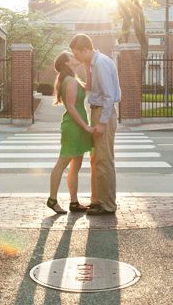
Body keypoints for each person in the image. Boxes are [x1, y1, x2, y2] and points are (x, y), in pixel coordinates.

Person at [69, 34, 121, 215]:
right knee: (97, 159)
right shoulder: (93, 63)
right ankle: (98, 199)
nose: (75, 57)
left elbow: (108, 97)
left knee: (104, 160)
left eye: (77, 53)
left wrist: (103, 123)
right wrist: (85, 65)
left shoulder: (100, 64)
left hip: (102, 113)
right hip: (97, 111)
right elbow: (90, 87)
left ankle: (107, 205)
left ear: (85, 50)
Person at [46, 51, 94, 214]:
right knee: (62, 163)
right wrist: (86, 127)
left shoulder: (71, 79)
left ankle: (74, 202)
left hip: (77, 126)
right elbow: (72, 107)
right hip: (74, 127)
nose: (76, 57)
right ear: (67, 63)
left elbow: (88, 87)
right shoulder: (71, 81)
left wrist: (87, 67)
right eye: (72, 56)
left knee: (76, 165)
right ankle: (52, 200)